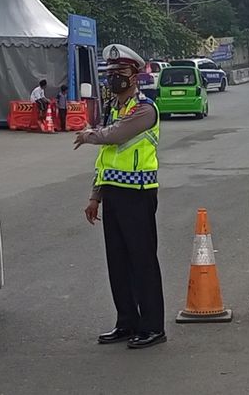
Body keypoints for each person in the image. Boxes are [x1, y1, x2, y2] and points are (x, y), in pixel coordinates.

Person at [74, 44, 166, 350]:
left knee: (142, 262)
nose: (114, 78)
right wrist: (95, 196)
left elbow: (115, 136)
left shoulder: (144, 109)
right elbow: (106, 160)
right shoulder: (114, 109)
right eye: (110, 73)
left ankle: (152, 326)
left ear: (135, 76)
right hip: (113, 194)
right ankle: (126, 321)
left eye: (120, 73)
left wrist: (89, 135)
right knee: (117, 262)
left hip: (138, 195)